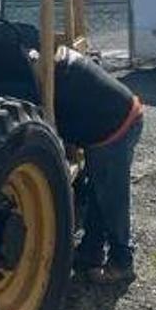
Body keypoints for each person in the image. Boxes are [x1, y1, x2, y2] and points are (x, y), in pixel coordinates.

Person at [54, 47, 144, 284]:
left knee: (112, 197)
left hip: (117, 126)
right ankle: (90, 252)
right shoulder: (51, 63)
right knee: (98, 190)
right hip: (109, 122)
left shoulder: (54, 77)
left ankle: (122, 262)